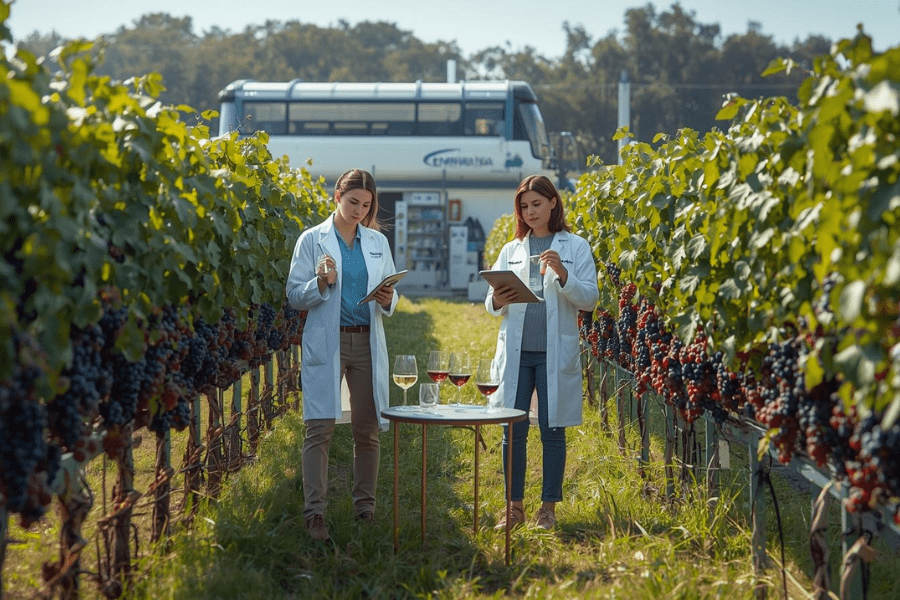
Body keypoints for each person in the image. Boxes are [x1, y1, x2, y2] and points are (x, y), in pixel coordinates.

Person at [286, 168, 398, 542]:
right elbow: (294, 295)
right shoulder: (311, 240)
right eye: (353, 202)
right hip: (328, 341)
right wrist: (320, 283)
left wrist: (388, 298)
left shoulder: (377, 242)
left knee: (367, 430)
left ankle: (365, 510)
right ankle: (314, 515)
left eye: (366, 205)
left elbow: (391, 293)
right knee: (319, 428)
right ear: (337, 196)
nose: (359, 211)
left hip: (366, 343)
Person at [485, 174, 599, 530]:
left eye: (536, 204)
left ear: (553, 202)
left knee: (552, 431)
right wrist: (497, 299)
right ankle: (514, 507)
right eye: (524, 206)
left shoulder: (575, 247)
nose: (530, 212)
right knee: (513, 430)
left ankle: (547, 509)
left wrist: (563, 274)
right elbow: (491, 304)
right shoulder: (511, 250)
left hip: (554, 353)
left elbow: (590, 299)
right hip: (518, 354)